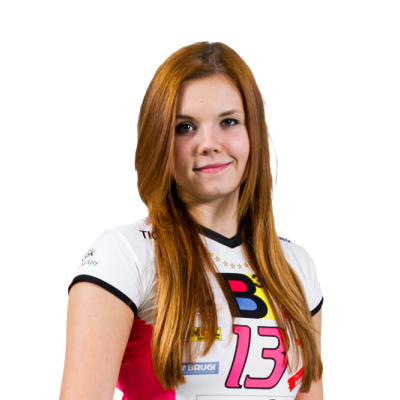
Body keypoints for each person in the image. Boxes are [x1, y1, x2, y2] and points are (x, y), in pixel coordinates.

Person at [60, 41, 324, 400]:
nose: (209, 144)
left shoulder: (295, 263)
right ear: (159, 141)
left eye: (228, 122)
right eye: (185, 127)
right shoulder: (124, 253)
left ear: (255, 134)